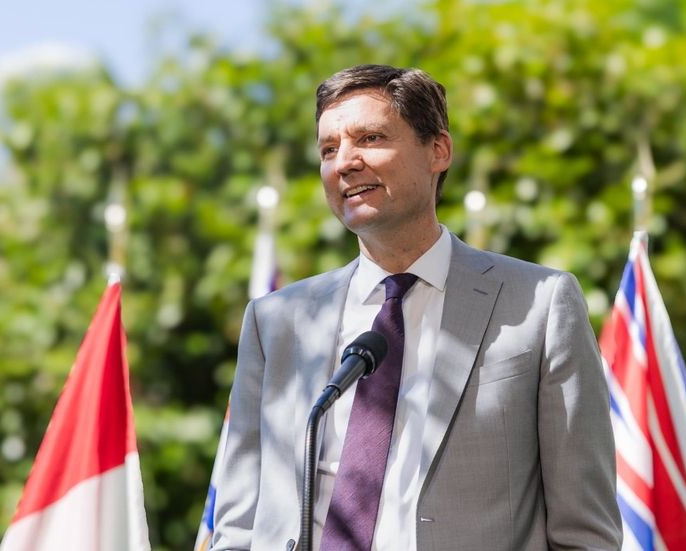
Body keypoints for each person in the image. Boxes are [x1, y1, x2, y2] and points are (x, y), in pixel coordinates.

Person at [211, 64, 622, 551]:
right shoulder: (274, 321)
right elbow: (238, 526)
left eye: (370, 138)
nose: (345, 163)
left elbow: (584, 533)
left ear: (438, 151)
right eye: (328, 149)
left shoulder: (541, 303)